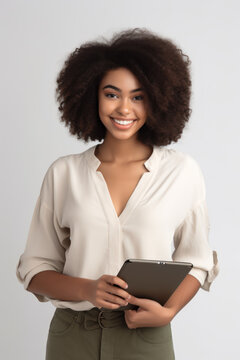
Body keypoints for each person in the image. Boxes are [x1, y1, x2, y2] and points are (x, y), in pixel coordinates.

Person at [16, 28, 219, 360]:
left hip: (146, 336)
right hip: (72, 336)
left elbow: (196, 261)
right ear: (90, 95)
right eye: (112, 94)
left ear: (158, 99)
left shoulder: (182, 172)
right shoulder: (64, 173)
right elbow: (35, 269)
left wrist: (169, 313)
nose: (124, 108)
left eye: (138, 96)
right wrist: (87, 289)